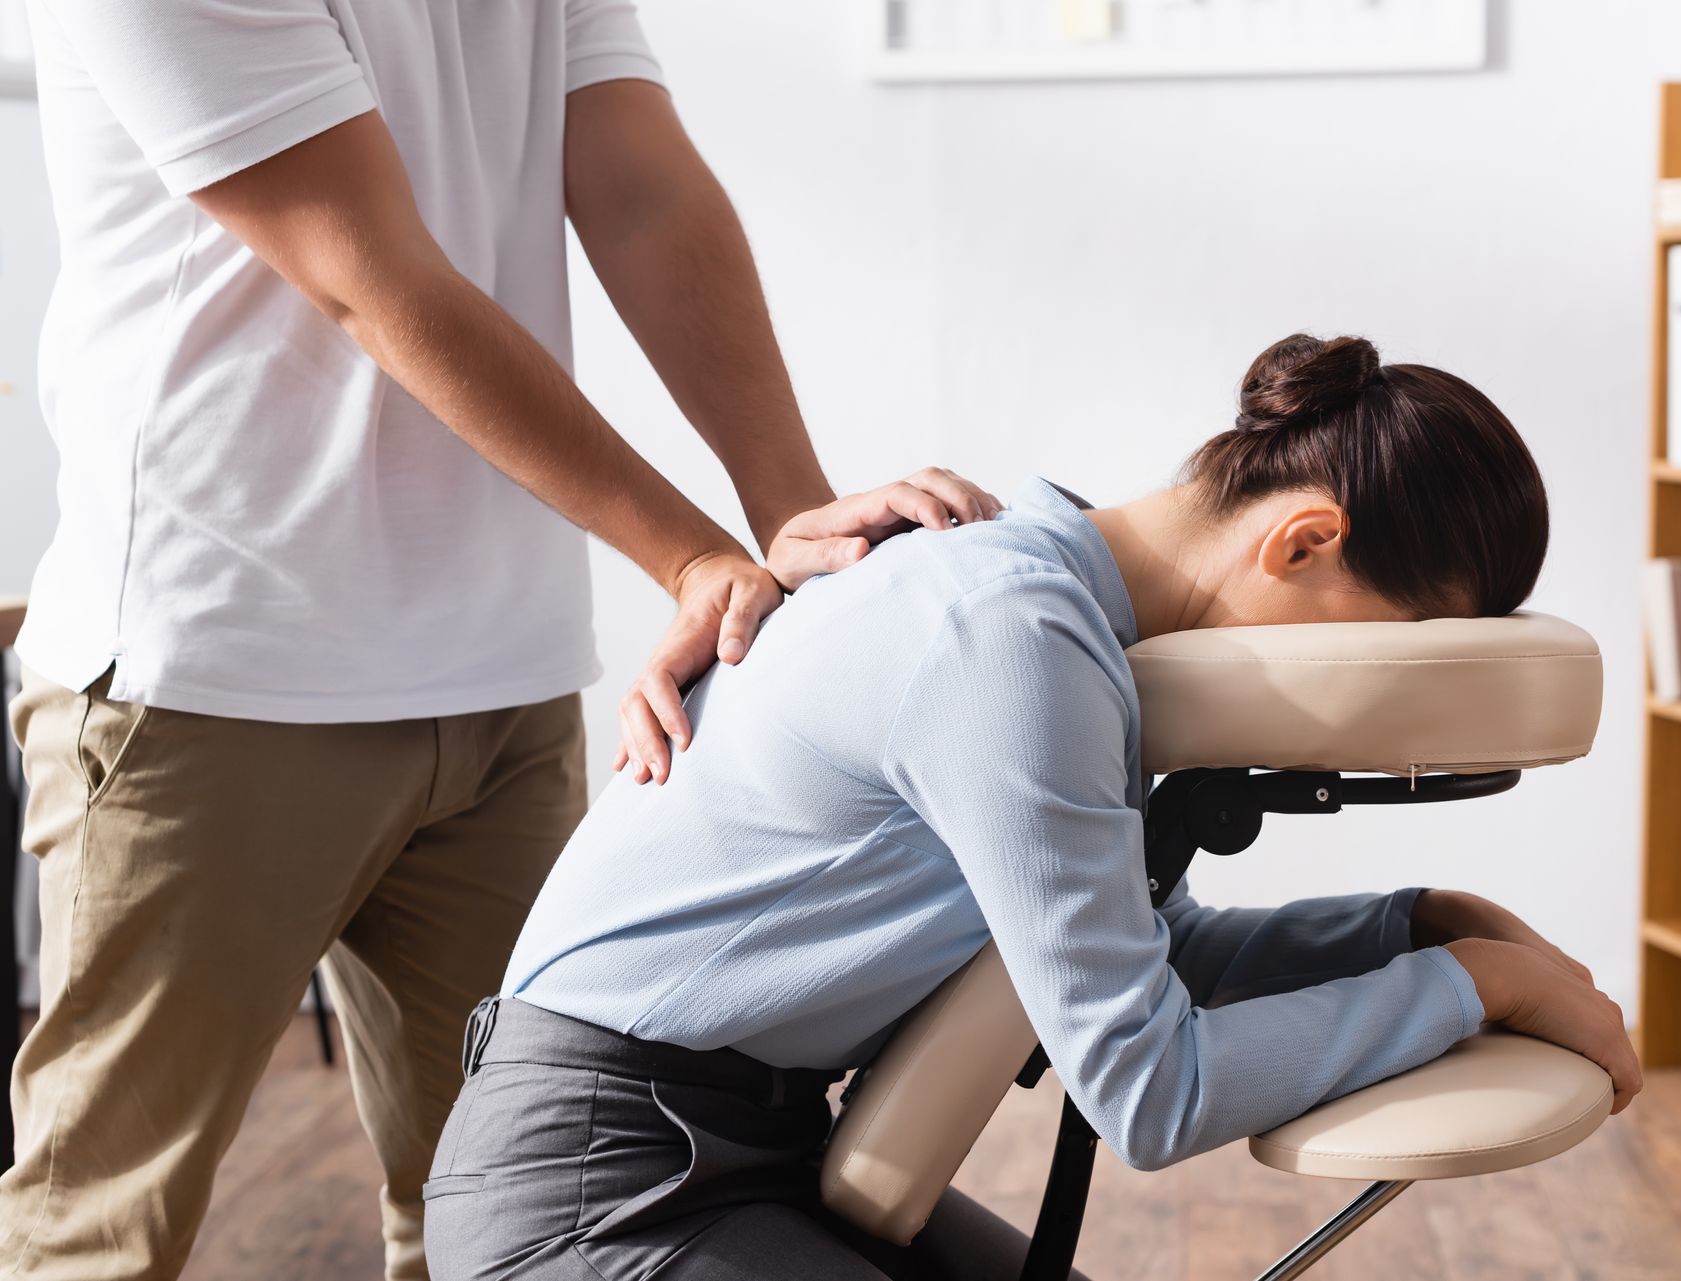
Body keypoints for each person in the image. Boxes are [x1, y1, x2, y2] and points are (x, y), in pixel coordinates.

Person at [4, 4, 994, 1279]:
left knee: (507, 1218)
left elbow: (640, 190)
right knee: (102, 1233)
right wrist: (691, 559)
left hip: (502, 685)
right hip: (210, 680)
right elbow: (363, 268)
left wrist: (790, 514)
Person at [425, 334, 1645, 1281]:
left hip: (741, 1150)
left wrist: (1417, 925)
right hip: (594, 1188)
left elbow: (1144, 961)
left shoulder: (1051, 619)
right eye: (1396, 649)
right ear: (1303, 543)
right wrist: (1478, 990)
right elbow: (1150, 1089)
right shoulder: (1011, 637)